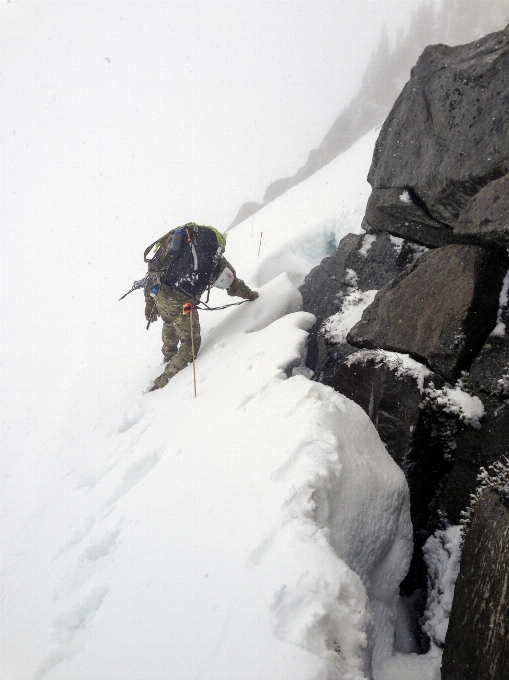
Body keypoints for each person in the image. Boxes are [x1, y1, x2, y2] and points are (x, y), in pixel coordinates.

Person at [145, 226, 258, 391]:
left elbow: (153, 272)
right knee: (189, 347)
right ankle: (162, 382)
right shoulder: (213, 258)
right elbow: (233, 285)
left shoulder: (179, 247)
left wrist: (149, 302)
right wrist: (251, 295)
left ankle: (168, 356)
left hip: (160, 294)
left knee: (169, 321)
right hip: (182, 303)